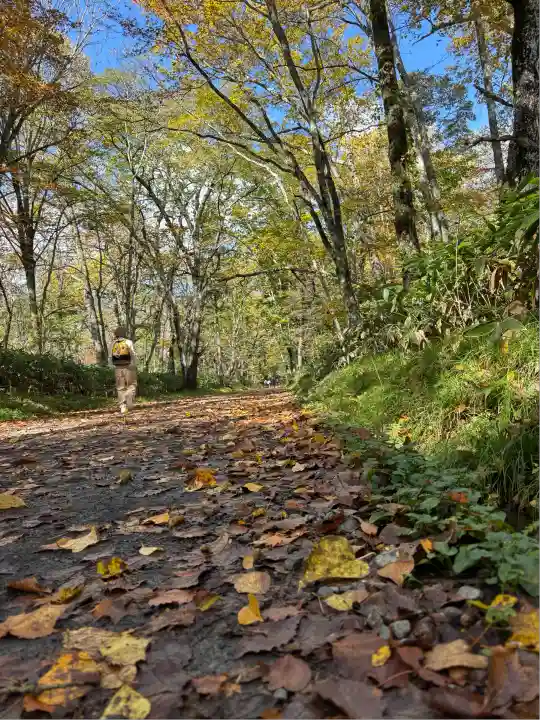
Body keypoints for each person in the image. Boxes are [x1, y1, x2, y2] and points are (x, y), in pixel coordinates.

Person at [111, 327, 137, 416]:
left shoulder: (113, 343)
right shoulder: (128, 342)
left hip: (117, 367)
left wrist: (112, 366)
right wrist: (134, 364)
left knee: (120, 387)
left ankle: (122, 406)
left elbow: (109, 356)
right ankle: (129, 403)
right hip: (129, 366)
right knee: (131, 385)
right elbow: (132, 354)